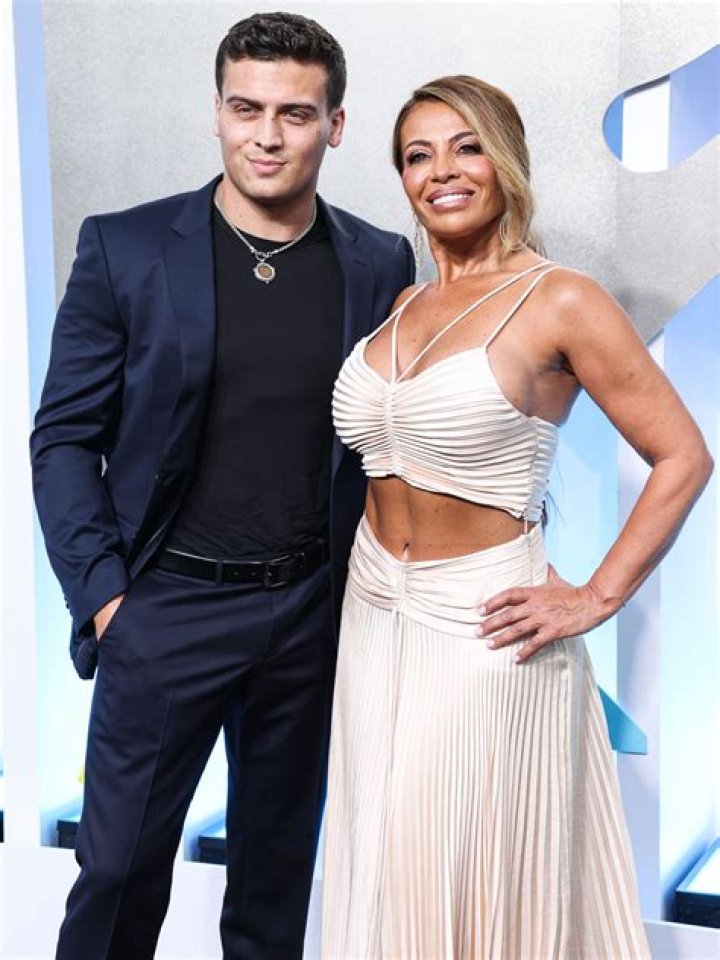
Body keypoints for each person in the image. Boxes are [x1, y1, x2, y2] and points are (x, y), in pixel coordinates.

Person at [30, 12, 414, 960]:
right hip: (166, 607)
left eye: (295, 113)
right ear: (216, 113)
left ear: (335, 125)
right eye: (247, 109)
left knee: (274, 886)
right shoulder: (125, 247)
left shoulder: (378, 261)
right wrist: (107, 599)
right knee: (118, 875)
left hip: (310, 615)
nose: (267, 135)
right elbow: (65, 438)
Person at [322, 74, 712, 958]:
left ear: (505, 161)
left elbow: (684, 455)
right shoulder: (402, 305)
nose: (442, 171)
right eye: (418, 155)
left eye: (466, 147)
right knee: (380, 855)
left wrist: (597, 596)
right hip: (372, 612)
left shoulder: (561, 298)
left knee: (453, 859)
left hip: (485, 625)